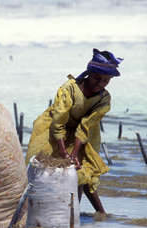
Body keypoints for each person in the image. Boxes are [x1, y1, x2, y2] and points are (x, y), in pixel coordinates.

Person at [25, 48, 123, 214]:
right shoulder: (69, 89)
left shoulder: (104, 98)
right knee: (42, 171)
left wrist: (74, 154)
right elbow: (59, 122)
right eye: (97, 78)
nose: (100, 84)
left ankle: (79, 215)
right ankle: (39, 212)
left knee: (82, 173)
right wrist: (64, 153)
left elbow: (84, 127)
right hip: (54, 129)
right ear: (88, 74)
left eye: (106, 81)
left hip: (83, 135)